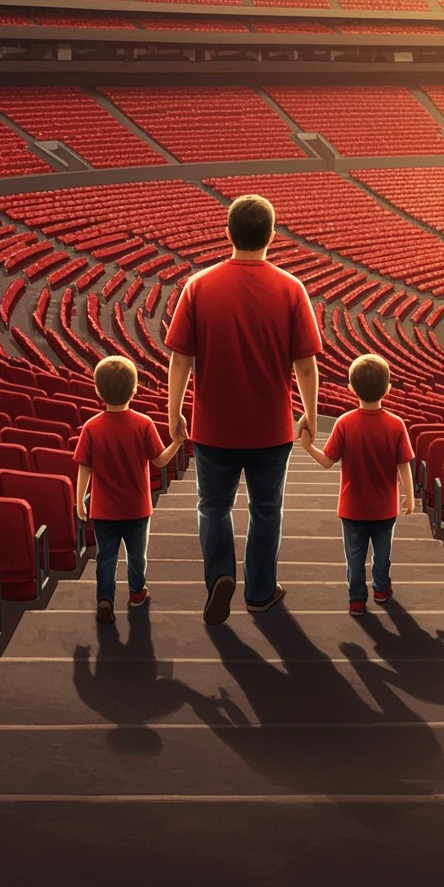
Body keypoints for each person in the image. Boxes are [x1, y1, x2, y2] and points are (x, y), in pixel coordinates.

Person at [166, 193, 321, 626]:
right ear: (273, 235)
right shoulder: (292, 289)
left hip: (212, 427)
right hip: (271, 429)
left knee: (212, 507)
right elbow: (305, 365)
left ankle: (219, 576)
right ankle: (259, 592)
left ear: (228, 232)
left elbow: (180, 359)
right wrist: (309, 413)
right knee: (266, 509)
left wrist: (173, 411)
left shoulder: (198, 286)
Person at [299, 353, 414, 616]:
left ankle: (356, 600)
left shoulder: (344, 423)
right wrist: (409, 495)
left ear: (351, 388)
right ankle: (382, 589)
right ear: (388, 388)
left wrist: (307, 448)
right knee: (383, 554)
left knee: (354, 556)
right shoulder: (396, 425)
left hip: (352, 508)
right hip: (385, 508)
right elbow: (404, 464)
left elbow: (327, 461)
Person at [75, 355, 181, 624]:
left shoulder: (91, 427)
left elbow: (84, 467)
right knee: (136, 556)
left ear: (98, 390)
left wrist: (79, 501)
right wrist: (178, 442)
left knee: (105, 558)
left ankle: (104, 600)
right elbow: (159, 461)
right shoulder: (143, 423)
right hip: (137, 509)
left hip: (103, 510)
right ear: (135, 389)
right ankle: (136, 593)